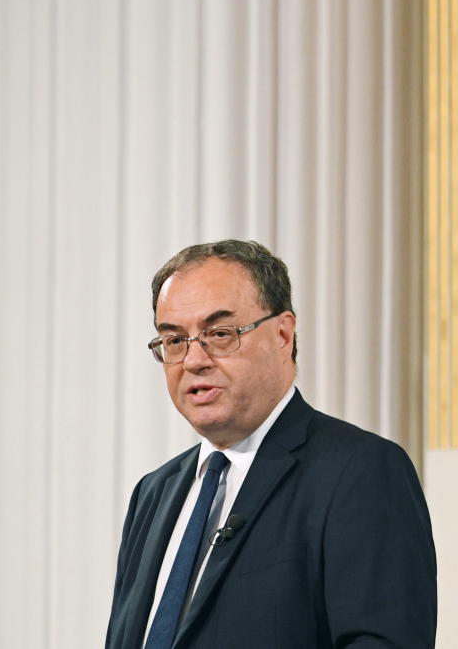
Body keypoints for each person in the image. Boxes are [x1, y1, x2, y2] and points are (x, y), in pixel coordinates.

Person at [106, 240, 437, 649]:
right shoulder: (153, 493)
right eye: (174, 340)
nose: (193, 361)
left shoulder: (361, 471)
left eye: (220, 333)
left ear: (282, 334)